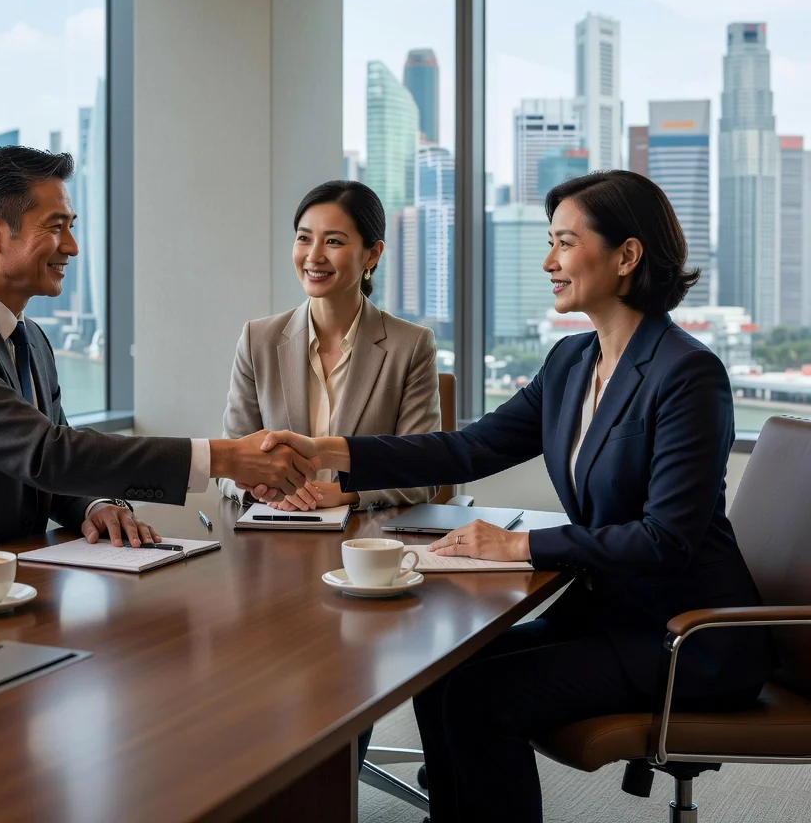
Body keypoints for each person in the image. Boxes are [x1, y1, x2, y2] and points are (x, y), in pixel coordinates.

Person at [261, 170, 772, 822]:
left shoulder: (686, 373)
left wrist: (518, 544)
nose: (548, 260)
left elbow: (665, 539)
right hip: (612, 618)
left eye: (564, 241)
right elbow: (469, 448)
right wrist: (330, 452)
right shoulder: (570, 363)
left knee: (484, 697)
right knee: (440, 668)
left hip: (684, 637)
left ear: (626, 255)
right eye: (548, 241)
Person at [0, 146, 311, 578]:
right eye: (55, 226)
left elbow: (56, 464)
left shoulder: (31, 340)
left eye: (72, 226)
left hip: (6, 572)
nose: (72, 247)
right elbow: (45, 452)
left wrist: (93, 506)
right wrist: (225, 457)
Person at [217, 179, 440, 512]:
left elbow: (422, 471)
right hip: (275, 533)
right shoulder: (257, 340)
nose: (314, 256)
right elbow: (228, 463)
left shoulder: (410, 345)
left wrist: (347, 493)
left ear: (372, 254)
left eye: (333, 241)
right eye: (304, 238)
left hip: (364, 541)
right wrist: (266, 491)